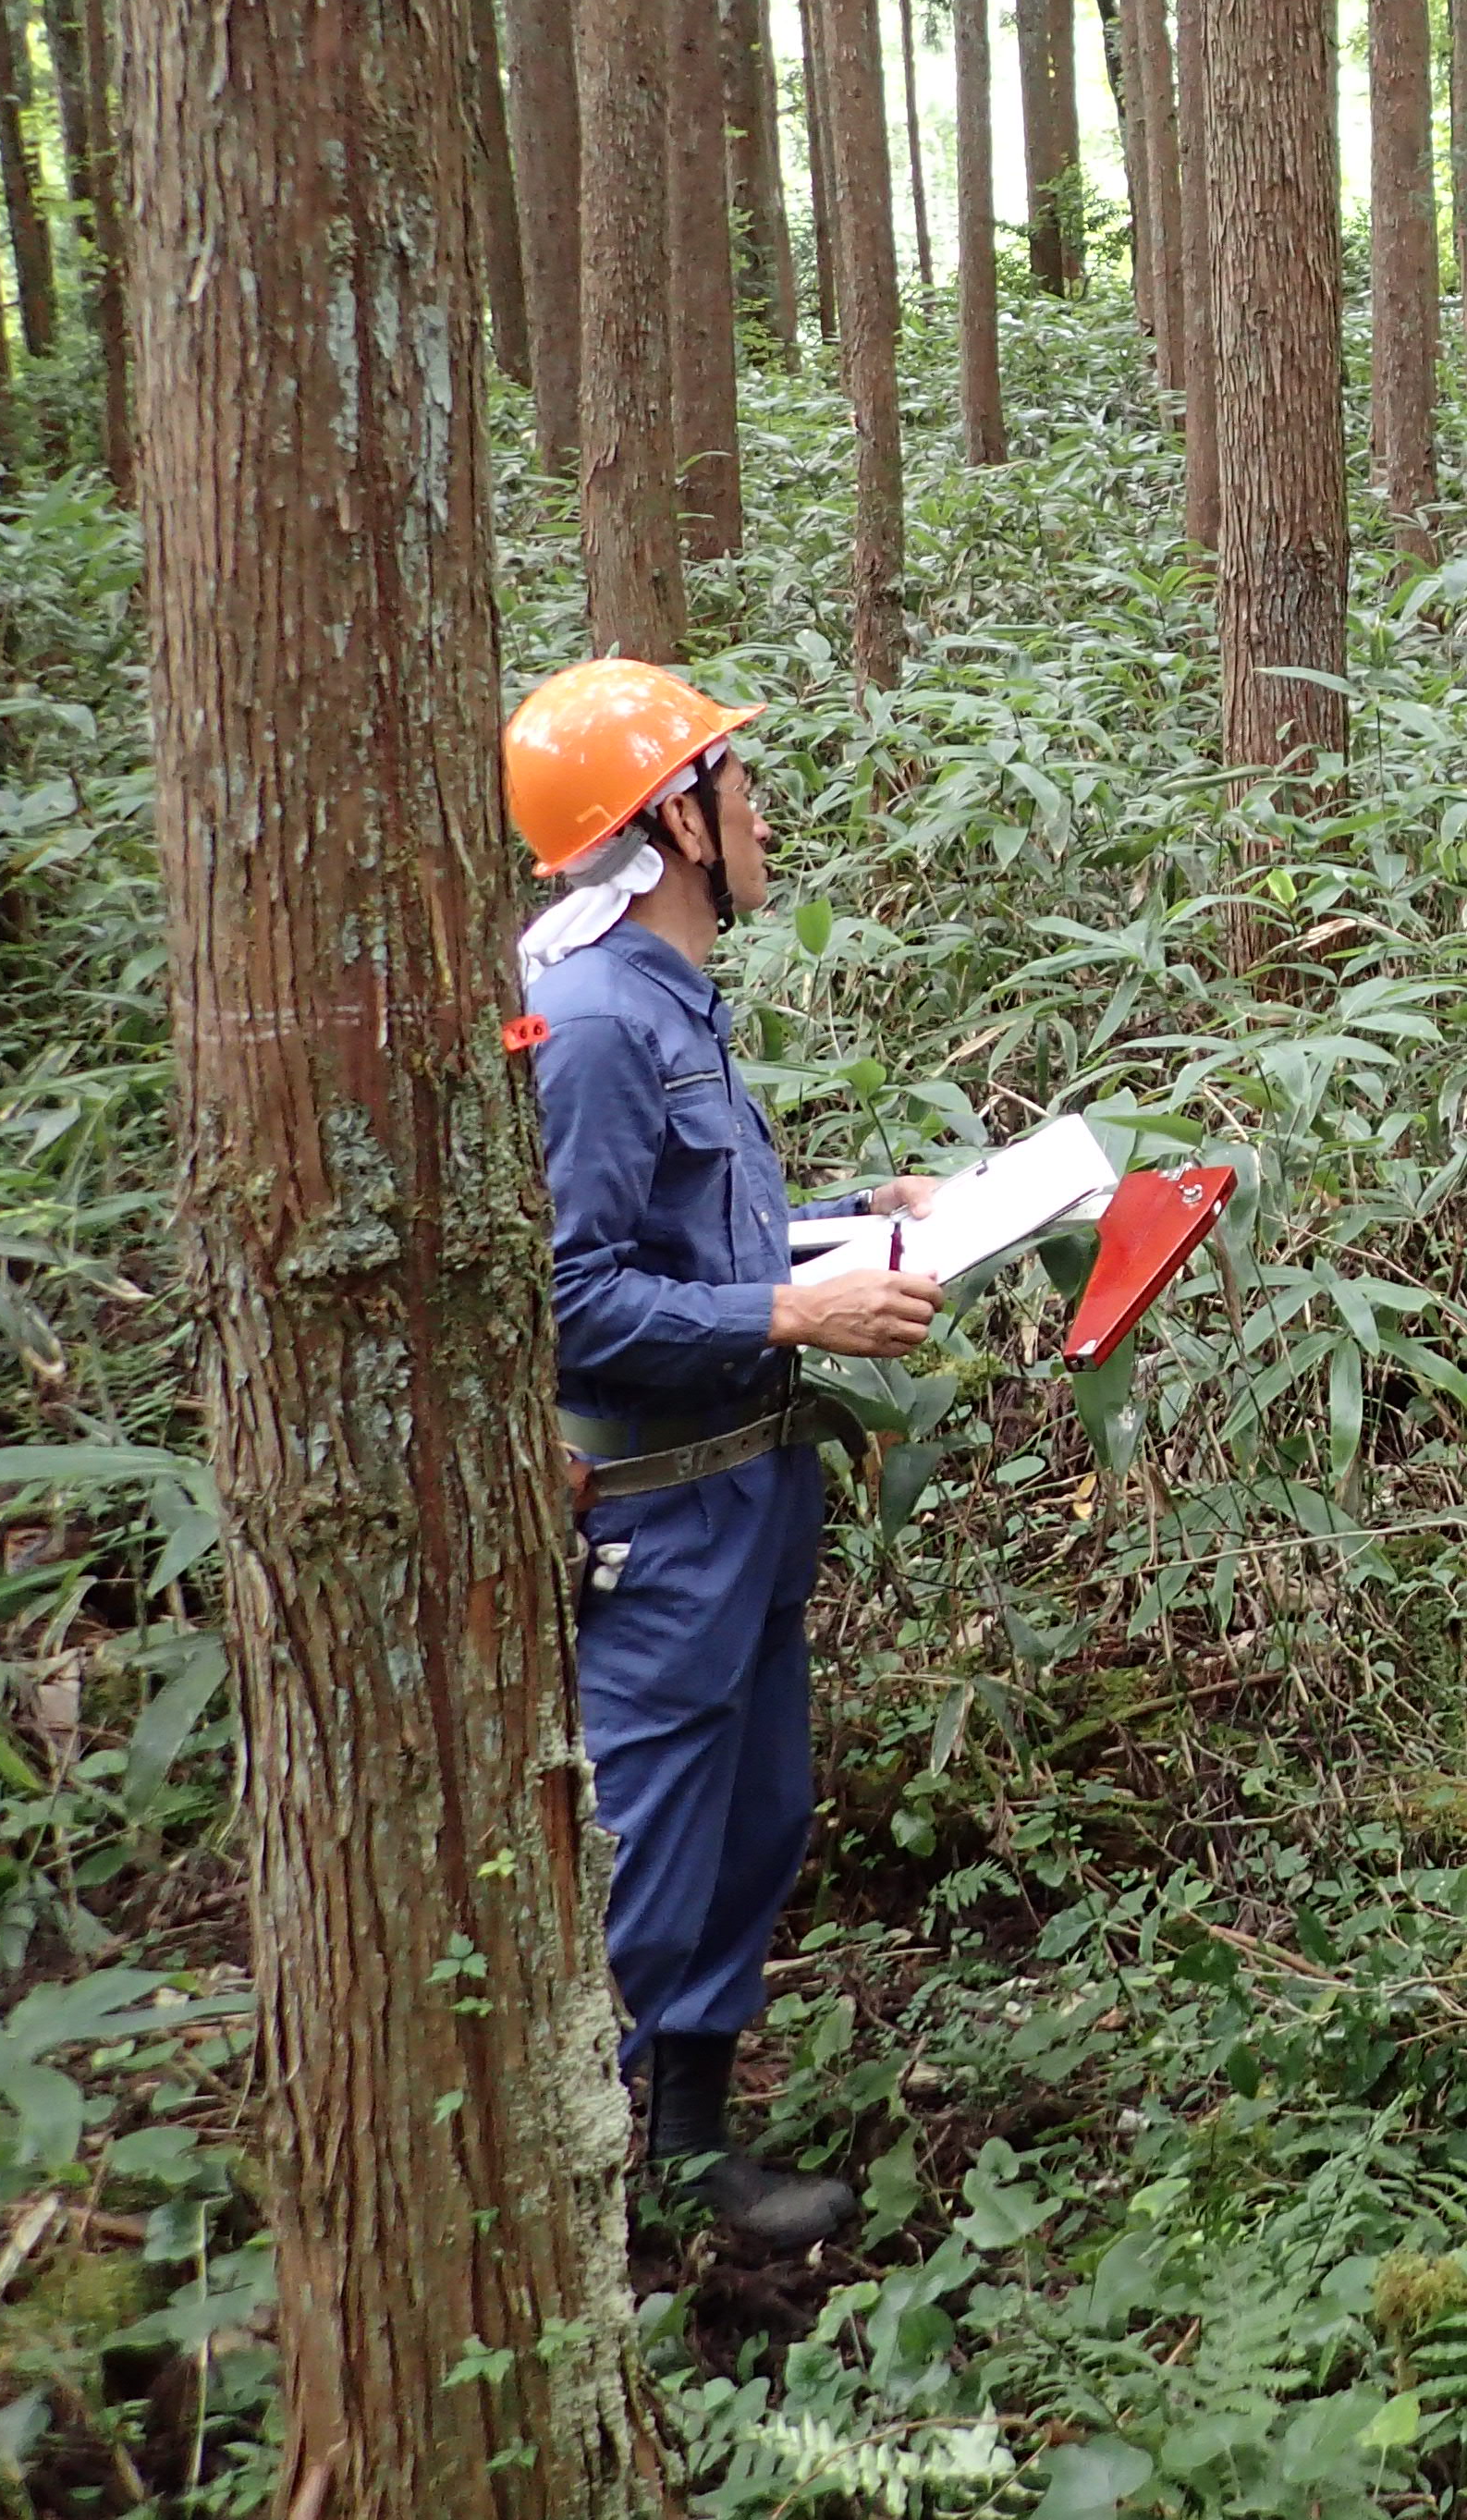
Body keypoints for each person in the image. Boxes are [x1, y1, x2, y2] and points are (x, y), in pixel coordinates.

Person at [503, 660, 945, 2251]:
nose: (762, 813)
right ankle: (602, 2205)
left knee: (752, 1819)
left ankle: (691, 2161)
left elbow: (690, 1238)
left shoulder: (674, 1001)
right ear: (673, 824)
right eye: (735, 786)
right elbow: (568, 1301)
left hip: (747, 1499)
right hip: (659, 1519)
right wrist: (791, 1307)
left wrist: (847, 1229)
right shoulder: (603, 1024)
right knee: (660, 1834)